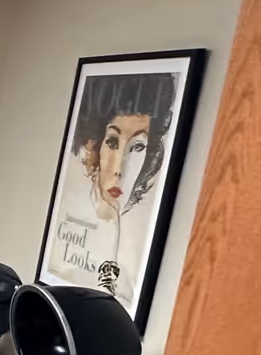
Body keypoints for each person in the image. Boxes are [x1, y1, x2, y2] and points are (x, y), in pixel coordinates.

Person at [52, 71, 179, 301]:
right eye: (112, 142)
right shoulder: (74, 212)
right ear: (95, 145)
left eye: (138, 147)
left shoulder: (137, 237)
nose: (121, 168)